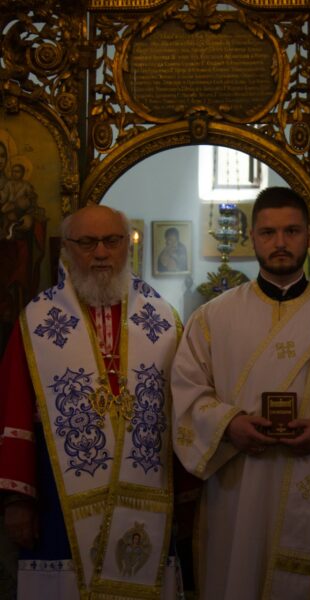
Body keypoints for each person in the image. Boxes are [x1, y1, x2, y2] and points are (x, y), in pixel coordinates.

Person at [171, 186, 310, 600]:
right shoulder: (211, 318)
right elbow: (186, 395)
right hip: (239, 489)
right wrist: (230, 425)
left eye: (291, 231)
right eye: (268, 232)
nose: (280, 242)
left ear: (309, 236)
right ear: (252, 238)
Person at [0, 204, 182, 599]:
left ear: (127, 245)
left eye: (111, 241)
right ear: (66, 249)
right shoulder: (36, 321)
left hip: (146, 495)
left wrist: (188, 493)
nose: (100, 253)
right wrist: (18, 500)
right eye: (87, 242)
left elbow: (182, 411)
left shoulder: (164, 320)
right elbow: (14, 410)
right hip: (58, 498)